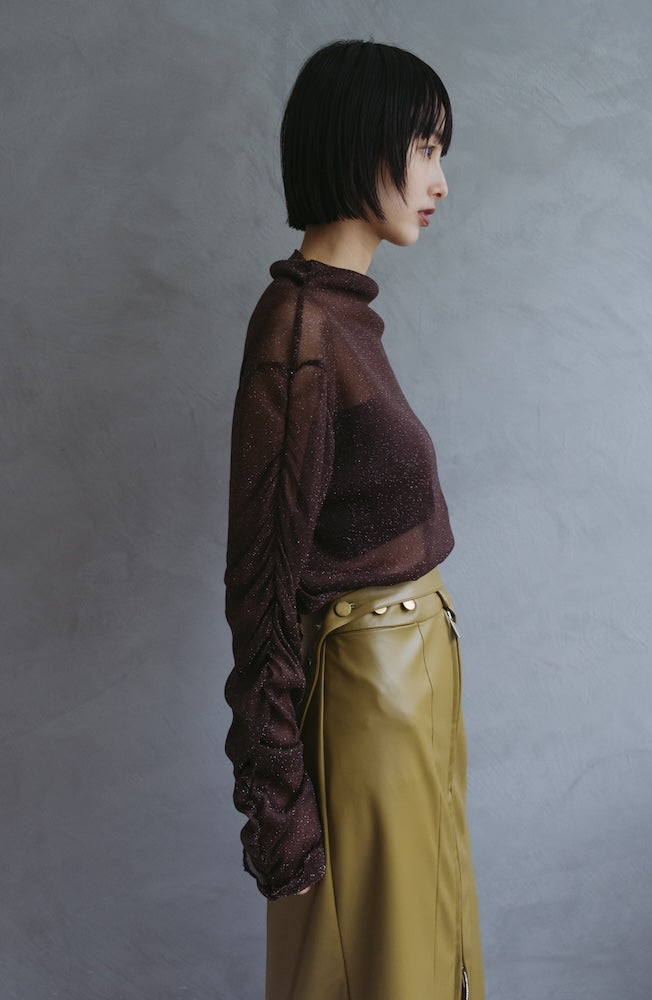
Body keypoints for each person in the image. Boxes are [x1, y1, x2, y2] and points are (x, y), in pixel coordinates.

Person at [224, 39, 484, 1000]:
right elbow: (261, 579)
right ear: (356, 142)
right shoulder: (300, 330)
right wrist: (279, 806)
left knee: (430, 961)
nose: (440, 181)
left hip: (410, 700)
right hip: (364, 709)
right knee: (379, 973)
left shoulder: (343, 320)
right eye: (424, 148)